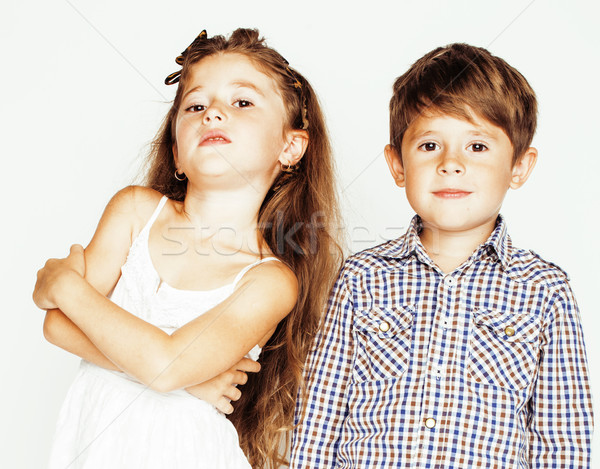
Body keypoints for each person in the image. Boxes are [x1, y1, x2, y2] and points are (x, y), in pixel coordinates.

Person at [33, 28, 342, 469]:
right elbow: (58, 328)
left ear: (290, 146)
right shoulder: (135, 212)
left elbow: (166, 365)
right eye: (195, 105)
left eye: (242, 102)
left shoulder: (269, 280)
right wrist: (186, 382)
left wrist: (64, 285)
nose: (212, 113)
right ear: (177, 153)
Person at [290, 43, 594, 468]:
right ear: (397, 164)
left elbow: (562, 440)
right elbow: (319, 418)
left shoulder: (545, 291)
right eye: (430, 146)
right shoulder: (360, 279)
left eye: (477, 147)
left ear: (520, 167)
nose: (451, 164)